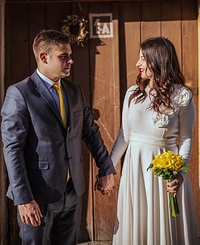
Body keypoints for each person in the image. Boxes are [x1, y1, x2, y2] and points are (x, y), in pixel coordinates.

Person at [1, 29, 115, 245]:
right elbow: (12, 149)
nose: (70, 61)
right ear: (43, 57)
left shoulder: (74, 91)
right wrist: (24, 198)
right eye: (64, 56)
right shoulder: (19, 93)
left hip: (72, 192)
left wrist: (106, 168)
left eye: (70, 55)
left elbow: (90, 131)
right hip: (37, 195)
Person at [110, 37, 199, 245]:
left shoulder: (183, 96)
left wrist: (179, 173)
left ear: (158, 60)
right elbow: (125, 134)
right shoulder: (133, 93)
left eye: (143, 58)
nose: (137, 64)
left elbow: (186, 138)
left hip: (165, 172)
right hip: (136, 169)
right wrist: (108, 168)